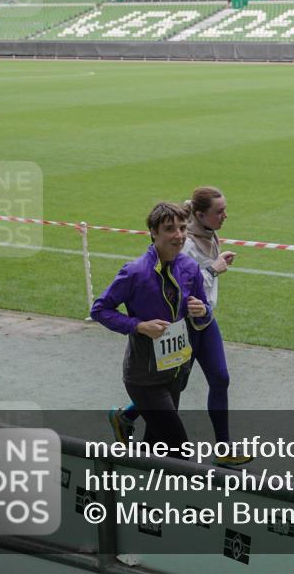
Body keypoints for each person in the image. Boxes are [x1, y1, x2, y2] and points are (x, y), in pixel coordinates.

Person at [108, 188, 252, 466]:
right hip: (177, 328)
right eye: (218, 211)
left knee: (219, 378)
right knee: (172, 393)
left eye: (181, 228)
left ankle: (223, 448)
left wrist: (203, 308)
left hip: (203, 322)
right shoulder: (177, 249)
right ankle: (127, 417)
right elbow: (177, 288)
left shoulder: (205, 237)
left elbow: (197, 290)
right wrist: (214, 269)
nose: (225, 215)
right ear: (201, 214)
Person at [91, 202, 211, 453]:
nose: (178, 235)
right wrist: (139, 325)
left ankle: (132, 488)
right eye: (169, 229)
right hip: (144, 378)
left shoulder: (190, 269)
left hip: (176, 372)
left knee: (157, 446)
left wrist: (201, 311)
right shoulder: (134, 272)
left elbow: (203, 314)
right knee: (179, 447)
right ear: (153, 233)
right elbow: (100, 310)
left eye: (181, 228)